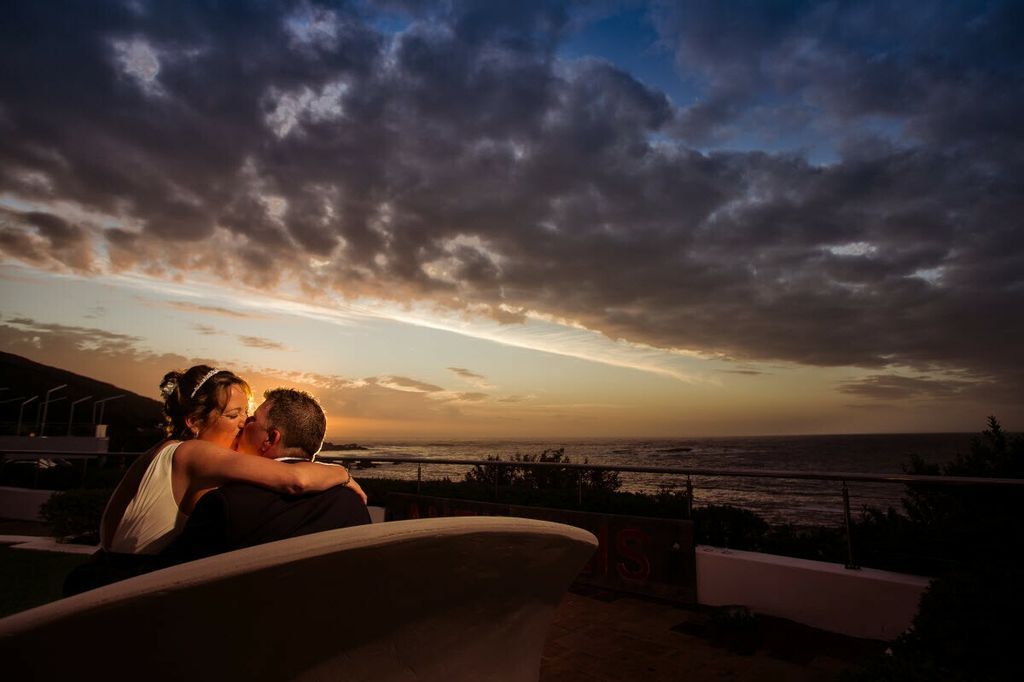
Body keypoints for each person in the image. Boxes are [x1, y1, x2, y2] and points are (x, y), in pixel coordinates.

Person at [100, 365, 362, 556]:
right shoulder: (192, 453)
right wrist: (342, 474)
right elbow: (295, 479)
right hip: (124, 582)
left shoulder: (185, 455)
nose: (243, 423)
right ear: (193, 422)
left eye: (246, 413)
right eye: (233, 415)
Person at [165, 388, 371, 561]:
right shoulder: (352, 502)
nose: (244, 423)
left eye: (253, 419)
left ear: (270, 439)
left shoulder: (225, 504)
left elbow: (171, 578)